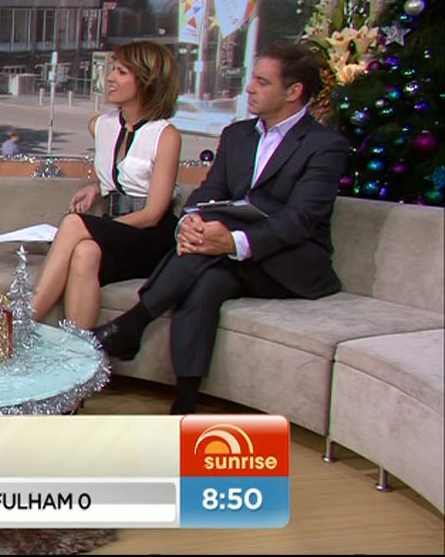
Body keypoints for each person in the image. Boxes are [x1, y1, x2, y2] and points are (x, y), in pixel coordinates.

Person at [92, 43, 350, 414]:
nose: (250, 88)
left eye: (262, 82)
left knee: (209, 255)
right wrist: (191, 221)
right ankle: (184, 404)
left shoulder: (324, 146)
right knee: (208, 281)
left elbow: (301, 220)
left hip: (287, 261)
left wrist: (233, 241)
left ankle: (135, 321)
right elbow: (209, 192)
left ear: (293, 91)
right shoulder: (237, 135)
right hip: (228, 259)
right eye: (253, 79)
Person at [31, 41, 182, 329]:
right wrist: (98, 186)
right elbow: (122, 172)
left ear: (147, 80)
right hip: (115, 231)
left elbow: (153, 214)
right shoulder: (100, 125)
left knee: (75, 224)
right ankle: (77, 348)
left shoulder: (165, 135)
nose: (110, 78)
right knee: (85, 252)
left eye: (121, 72)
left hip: (151, 236)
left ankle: (20, 322)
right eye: (113, 69)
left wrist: (101, 228)